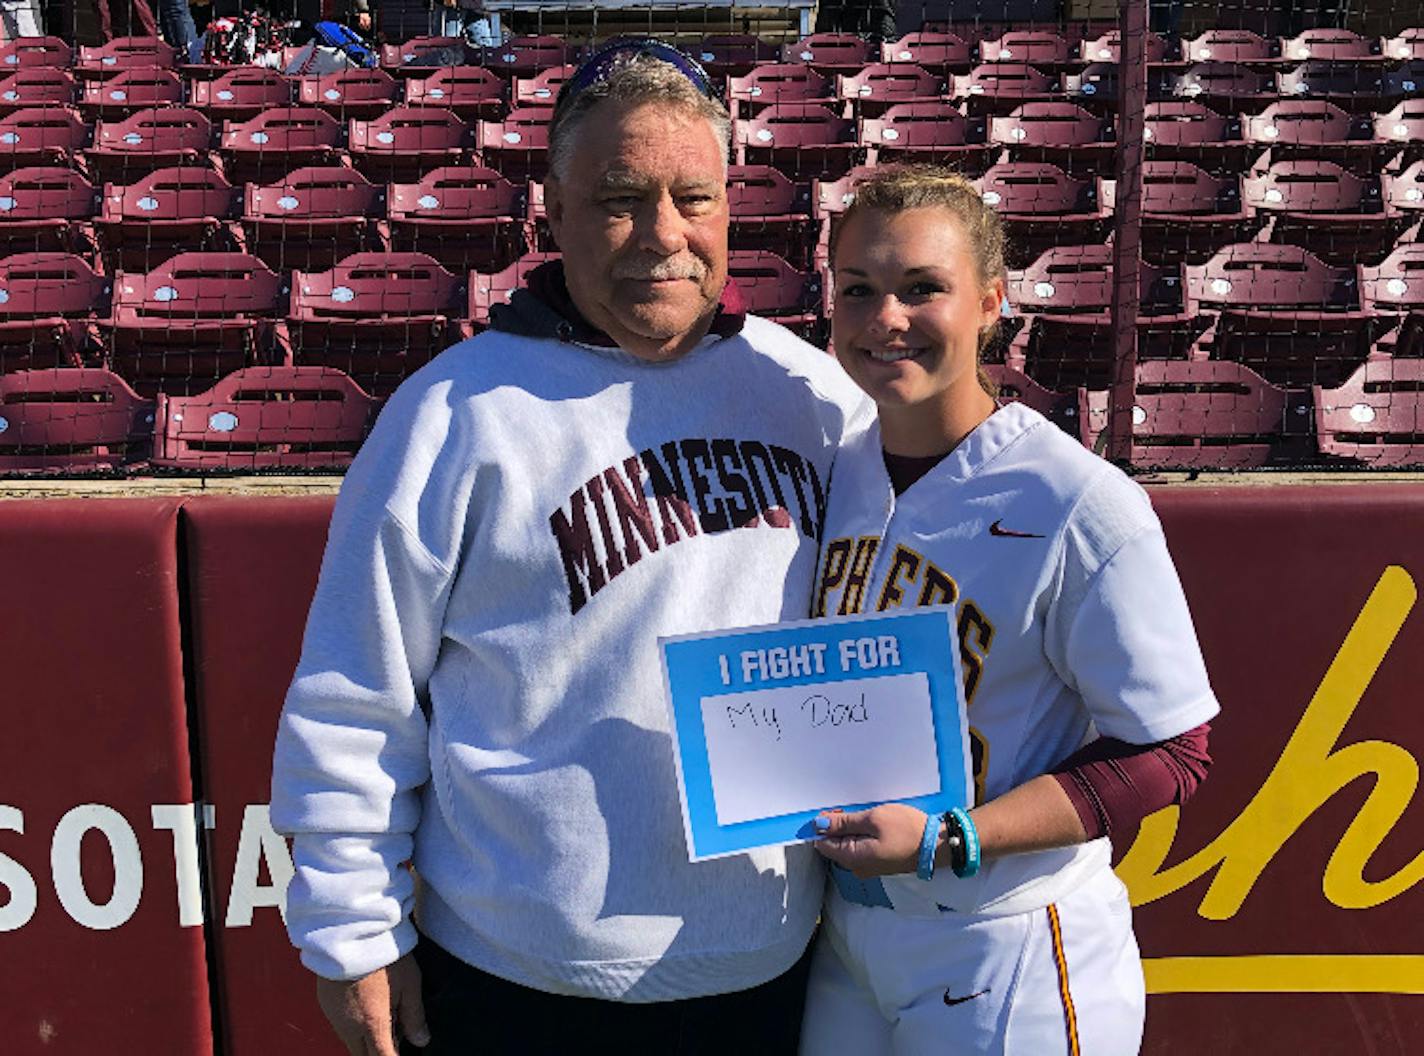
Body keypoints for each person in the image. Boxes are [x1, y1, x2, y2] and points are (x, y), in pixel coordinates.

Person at [269, 38, 868, 1056]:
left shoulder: (812, 396)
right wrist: (351, 931)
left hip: (766, 960)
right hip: (514, 974)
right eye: (618, 198)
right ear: (552, 209)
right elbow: (353, 699)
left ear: (732, 205)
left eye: (693, 197)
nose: (660, 234)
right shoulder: (453, 414)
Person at [799, 166, 1218, 1055]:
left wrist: (961, 836)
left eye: (924, 289)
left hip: (1007, 942)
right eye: (860, 289)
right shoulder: (837, 467)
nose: (886, 319)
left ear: (991, 301)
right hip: (846, 934)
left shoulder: (1077, 499)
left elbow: (1173, 751)